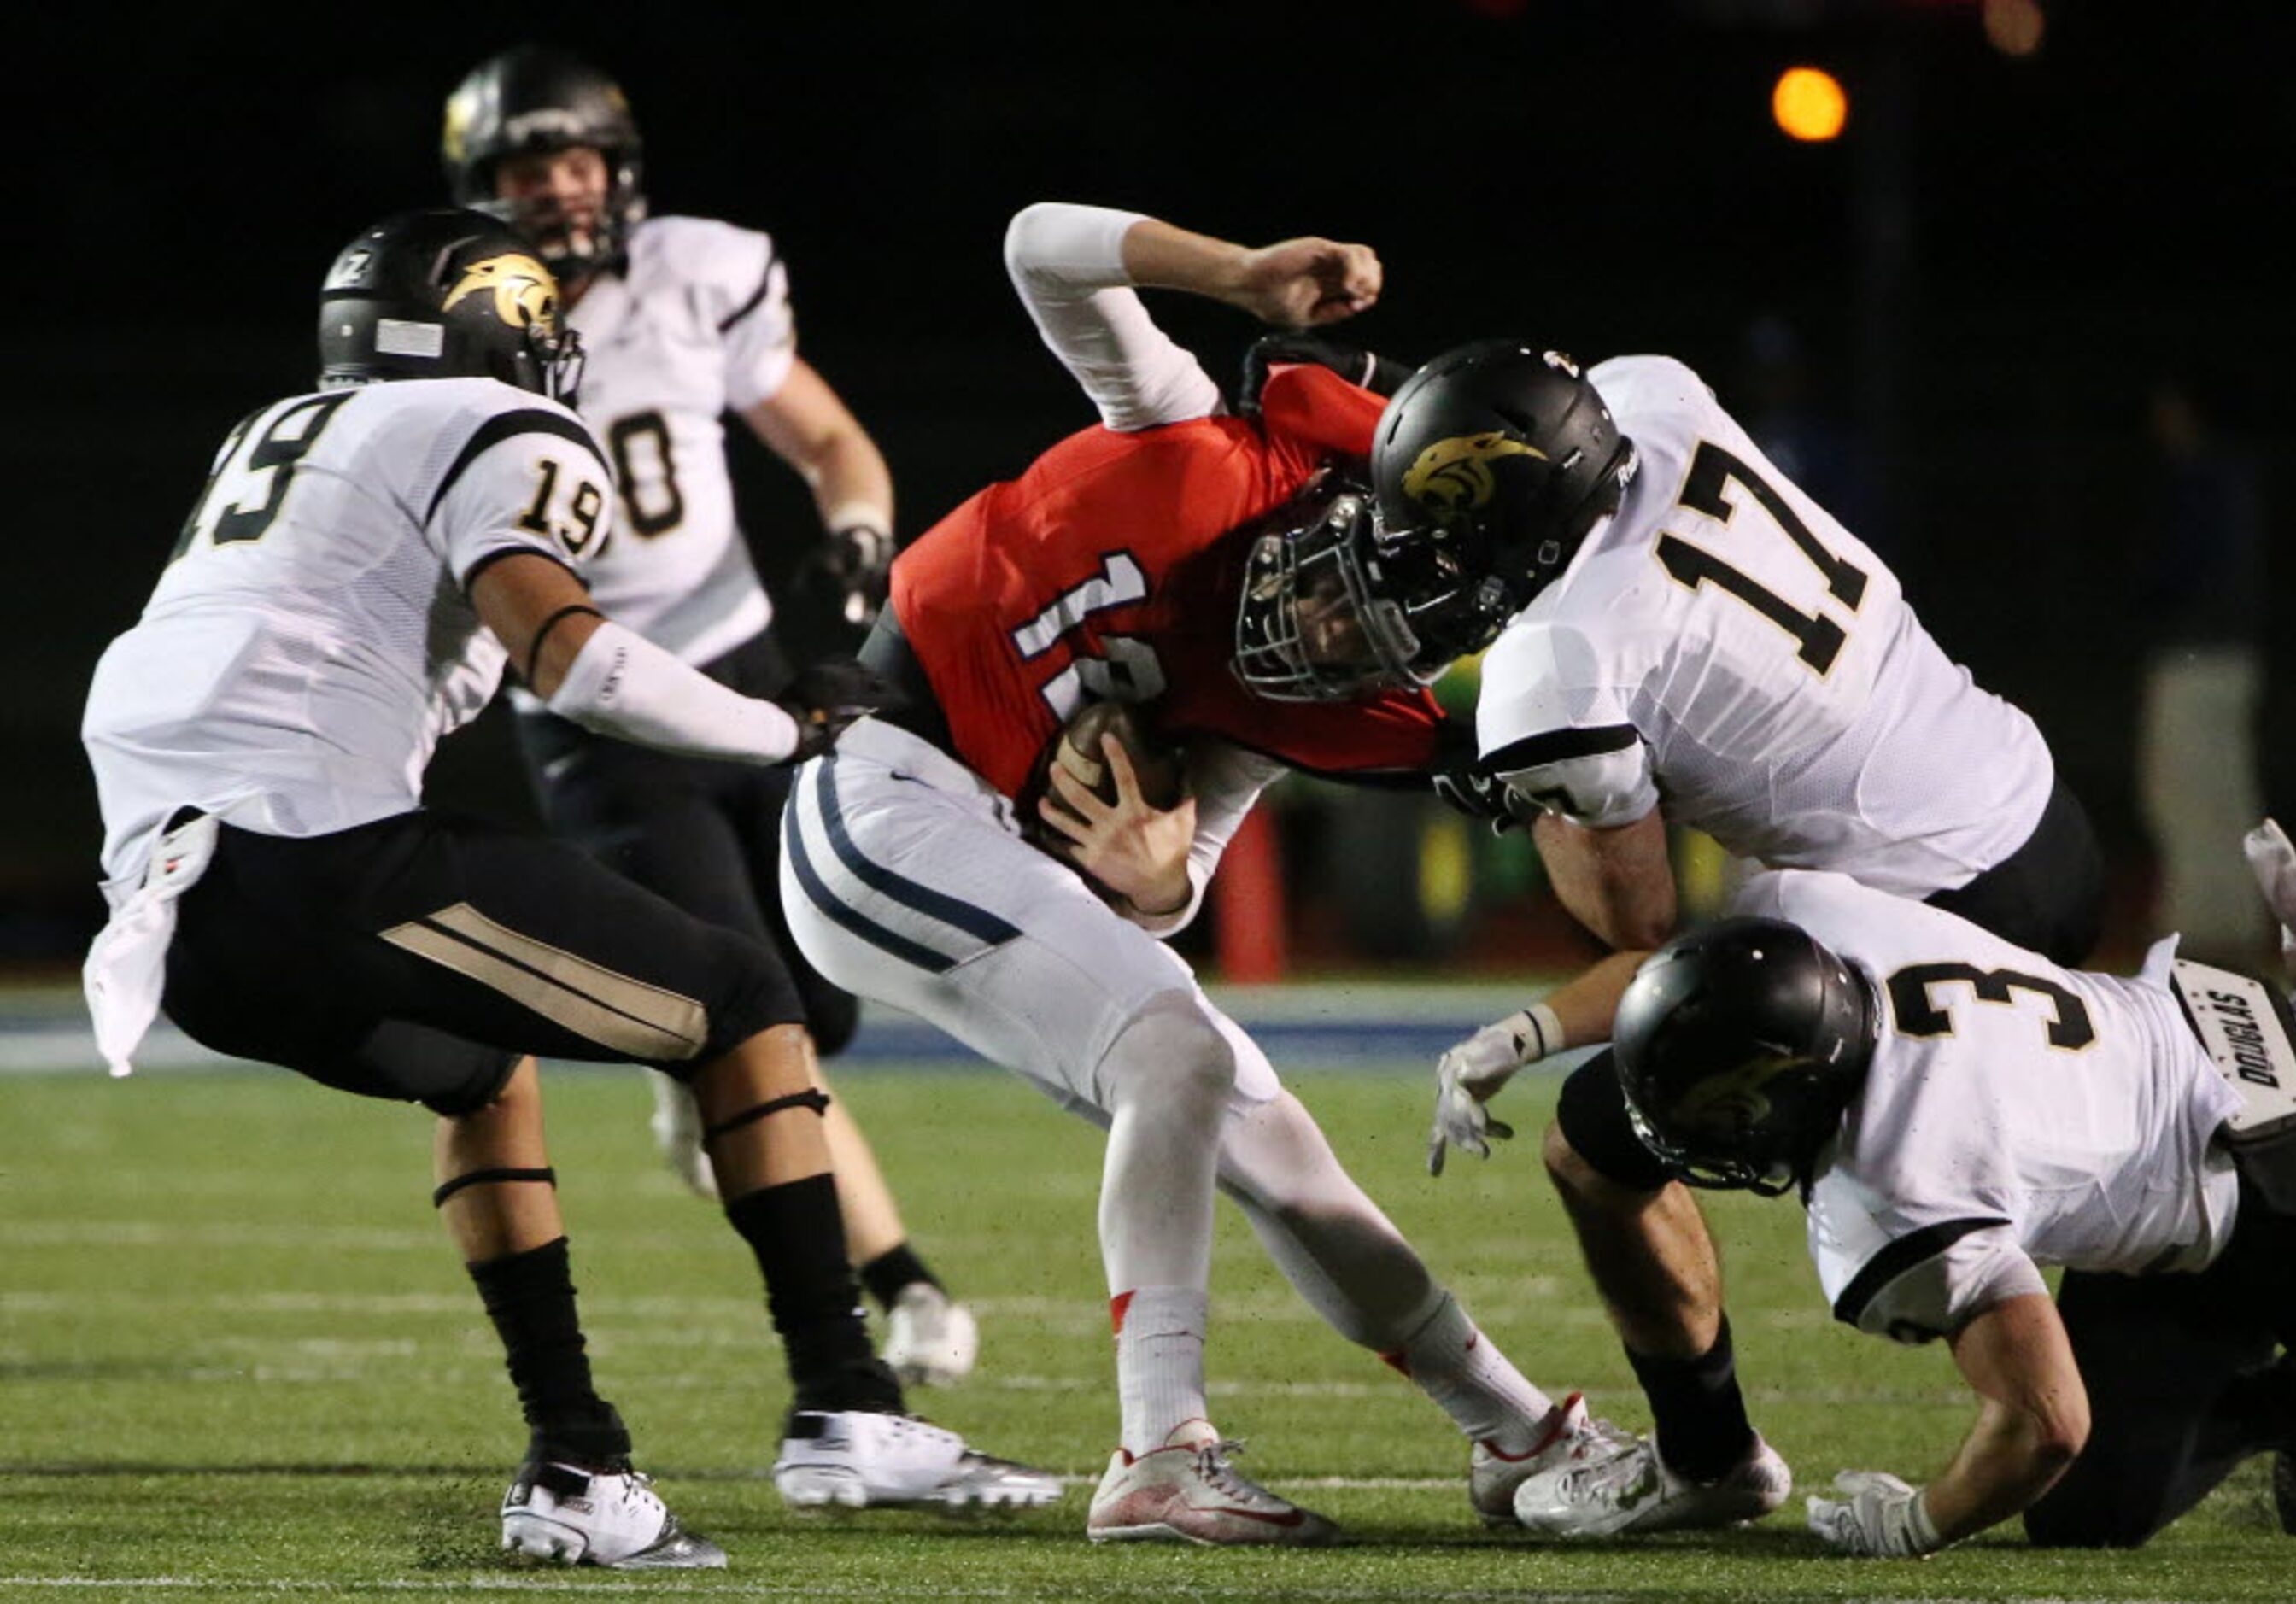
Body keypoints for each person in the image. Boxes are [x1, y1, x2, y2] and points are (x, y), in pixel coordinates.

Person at [78, 208, 1057, 1570]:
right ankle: (846, 1402)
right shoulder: (490, 422)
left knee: (481, 1069)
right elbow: (573, 660)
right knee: (742, 993)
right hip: (313, 851)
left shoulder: (274, 433)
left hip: (170, 913)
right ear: (490, 326)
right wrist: (781, 725)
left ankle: (577, 1465)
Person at [778, 200, 1620, 1545]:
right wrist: (1237, 275)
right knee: (1172, 1049)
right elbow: (1033, 242)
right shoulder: (1199, 439)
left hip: (969, 842)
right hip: (882, 790)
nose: (1334, 631)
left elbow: (1169, 886)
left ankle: (1516, 1433)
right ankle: (1158, 1448)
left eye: (1388, 638)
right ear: (1346, 497)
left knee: (1273, 1136)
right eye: (1355, 580)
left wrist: (1155, 878)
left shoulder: (1309, 703)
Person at [1251, 340, 2109, 1531]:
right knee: (2097, 1159)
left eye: (1455, 539)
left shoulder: (1558, 661)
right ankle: (2241, 1375)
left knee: (1601, 1143)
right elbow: (1520, 423)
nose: (1438, 566)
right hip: (2029, 803)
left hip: (1925, 913)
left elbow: (1640, 931)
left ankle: (1708, 1458)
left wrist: (1521, 782)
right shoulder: (1649, 393)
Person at [439, 45, 975, 1386]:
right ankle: (891, 1285)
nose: (558, 193)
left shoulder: (699, 269)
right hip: (600, 713)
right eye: (525, 170)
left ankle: (685, 1074)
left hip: (745, 668)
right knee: (758, 1025)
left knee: (825, 999)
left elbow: (830, 443)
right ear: (481, 190)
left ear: (616, 169)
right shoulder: (452, 319)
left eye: (574, 162)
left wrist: (855, 540)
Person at [1456, 822, 2296, 1550]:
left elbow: (2045, 1421)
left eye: (1726, 1113)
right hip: (2246, 1061)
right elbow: (1698, 966)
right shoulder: (1827, 925)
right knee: (2087, 1517)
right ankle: (2292, 1399)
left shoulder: (1899, 1177)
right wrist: (1527, 1035)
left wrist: (1917, 1522)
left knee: (2056, 1460)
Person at [2136, 371, 2269, 969]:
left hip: (2194, 656)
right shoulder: (2235, 476)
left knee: (2182, 789)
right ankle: (2236, 920)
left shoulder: (2200, 479)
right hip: (2232, 654)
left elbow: (2177, 572)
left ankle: (2199, 927)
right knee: (2225, 791)